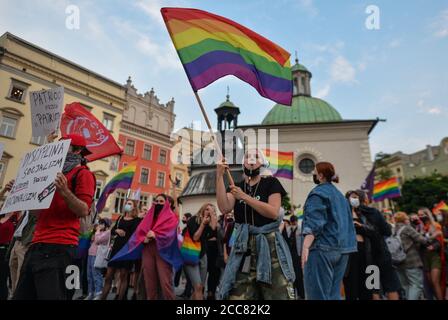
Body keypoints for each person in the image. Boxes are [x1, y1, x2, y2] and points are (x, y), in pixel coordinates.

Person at [13, 134, 96, 300]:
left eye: (64, 146)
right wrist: (23, 194)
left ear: (78, 150)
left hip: (60, 248)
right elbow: (37, 213)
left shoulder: (83, 174)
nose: (59, 150)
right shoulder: (50, 173)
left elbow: (83, 210)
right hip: (36, 245)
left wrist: (65, 192)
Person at [216, 149, 295, 300]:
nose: (251, 159)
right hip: (243, 246)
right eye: (247, 156)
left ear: (262, 162)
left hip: (269, 245)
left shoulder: (271, 183)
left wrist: (244, 197)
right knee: (238, 295)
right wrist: (219, 176)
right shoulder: (237, 186)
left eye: (256, 156)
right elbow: (224, 207)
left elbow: (273, 212)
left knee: (278, 293)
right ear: (243, 163)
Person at [301, 162, 356, 300]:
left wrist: (306, 246)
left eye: (314, 172)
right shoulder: (340, 196)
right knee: (333, 295)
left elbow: (314, 223)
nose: (313, 174)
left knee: (317, 295)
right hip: (343, 250)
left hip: (322, 248)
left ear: (320, 176)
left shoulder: (318, 193)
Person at [353, 191, 401, 300]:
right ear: (365, 200)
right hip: (382, 253)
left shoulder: (354, 214)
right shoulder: (373, 212)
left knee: (373, 288)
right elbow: (387, 231)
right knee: (390, 286)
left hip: (367, 256)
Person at [141, 194, 181, 300]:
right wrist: (143, 238)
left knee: (165, 281)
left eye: (161, 201)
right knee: (149, 281)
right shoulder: (149, 216)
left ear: (167, 203)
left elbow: (172, 235)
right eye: (156, 201)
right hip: (148, 249)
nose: (158, 203)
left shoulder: (172, 217)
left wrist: (156, 235)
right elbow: (140, 232)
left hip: (163, 251)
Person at [101, 199, 141, 300]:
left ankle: (120, 297)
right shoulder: (120, 218)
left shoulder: (136, 220)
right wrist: (117, 230)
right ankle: (102, 298)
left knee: (123, 276)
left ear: (134, 207)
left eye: (130, 203)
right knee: (109, 276)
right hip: (115, 249)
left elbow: (136, 235)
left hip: (126, 251)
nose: (127, 205)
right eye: (126, 203)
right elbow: (113, 230)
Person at [343, 190, 374, 300]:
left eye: (356, 197)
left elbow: (371, 230)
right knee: (351, 284)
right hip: (350, 251)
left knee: (365, 284)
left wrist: (360, 226)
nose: (355, 199)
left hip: (364, 250)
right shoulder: (342, 215)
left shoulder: (362, 214)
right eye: (352, 197)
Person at [184, 203, 217, 300]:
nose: (208, 211)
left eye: (211, 210)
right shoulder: (193, 220)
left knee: (199, 288)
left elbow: (213, 232)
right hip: (191, 254)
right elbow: (195, 237)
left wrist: (212, 218)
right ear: (202, 209)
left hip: (202, 255)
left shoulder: (209, 222)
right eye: (207, 209)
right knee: (198, 286)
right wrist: (203, 224)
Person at [393, 212, 428, 300]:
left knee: (406, 286)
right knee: (416, 285)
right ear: (404, 219)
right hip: (411, 261)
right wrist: (429, 236)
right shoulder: (407, 228)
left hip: (398, 262)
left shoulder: (393, 230)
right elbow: (422, 240)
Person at [7, 209, 37, 296]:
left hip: (25, 242)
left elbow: (35, 223)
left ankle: (19, 294)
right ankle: (14, 293)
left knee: (21, 270)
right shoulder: (25, 211)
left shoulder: (35, 209)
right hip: (17, 241)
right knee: (12, 265)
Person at [418, 208, 446, 300]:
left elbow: (439, 241)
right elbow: (419, 242)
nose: (420, 217)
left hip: (435, 256)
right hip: (425, 257)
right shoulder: (420, 228)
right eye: (419, 215)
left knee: (435, 281)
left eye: (422, 215)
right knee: (430, 283)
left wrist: (433, 246)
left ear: (427, 215)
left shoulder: (435, 225)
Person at [85, 219, 111, 300]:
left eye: (102, 223)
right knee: (89, 275)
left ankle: (98, 293)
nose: (99, 225)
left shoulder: (107, 233)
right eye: (99, 223)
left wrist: (97, 232)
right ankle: (90, 293)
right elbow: (92, 240)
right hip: (90, 254)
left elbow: (97, 240)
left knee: (96, 275)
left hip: (97, 256)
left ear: (106, 225)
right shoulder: (97, 232)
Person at [281, 215, 305, 299]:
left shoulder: (300, 229)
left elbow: (302, 242)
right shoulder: (288, 230)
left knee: (299, 276)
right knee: (291, 275)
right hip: (289, 255)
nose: (294, 223)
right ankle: (293, 294)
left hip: (298, 255)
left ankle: (301, 294)